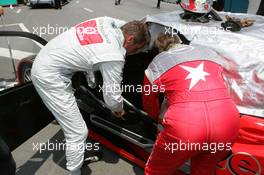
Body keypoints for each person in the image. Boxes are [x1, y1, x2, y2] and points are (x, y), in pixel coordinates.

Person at [31, 17, 149, 175]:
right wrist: (120, 111)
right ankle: (74, 171)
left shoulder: (105, 21)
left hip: (49, 56)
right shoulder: (114, 54)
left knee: (74, 124)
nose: (132, 53)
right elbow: (112, 99)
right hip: (49, 76)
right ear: (130, 39)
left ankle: (77, 155)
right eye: (135, 49)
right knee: (77, 132)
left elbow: (125, 24)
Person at [142, 33, 240, 175]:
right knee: (204, 171)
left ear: (159, 50)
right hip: (227, 121)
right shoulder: (208, 52)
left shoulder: (157, 63)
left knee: (156, 171)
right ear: (181, 41)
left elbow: (149, 101)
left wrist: (156, 118)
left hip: (185, 127)